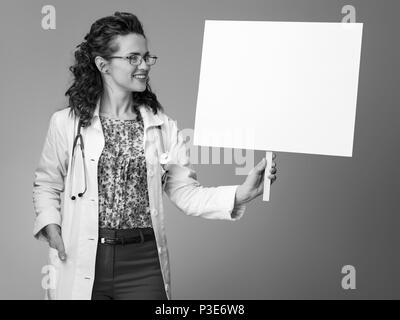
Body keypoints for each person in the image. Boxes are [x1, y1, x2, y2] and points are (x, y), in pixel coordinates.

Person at [32, 11, 278, 300]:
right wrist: (51, 226)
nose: (144, 65)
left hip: (143, 262)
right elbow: (47, 183)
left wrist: (239, 194)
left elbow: (186, 193)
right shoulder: (66, 123)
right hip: (84, 254)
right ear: (103, 65)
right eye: (133, 58)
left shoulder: (163, 127)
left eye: (147, 57)